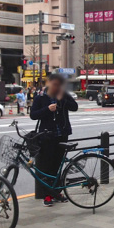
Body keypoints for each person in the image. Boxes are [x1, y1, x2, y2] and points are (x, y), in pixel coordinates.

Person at [30, 74, 79, 207]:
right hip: (47, 136)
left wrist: (63, 99)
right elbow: (33, 115)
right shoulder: (41, 96)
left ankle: (57, 193)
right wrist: (47, 109)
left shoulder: (63, 95)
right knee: (46, 166)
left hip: (62, 134)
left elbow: (74, 107)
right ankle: (47, 195)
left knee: (57, 165)